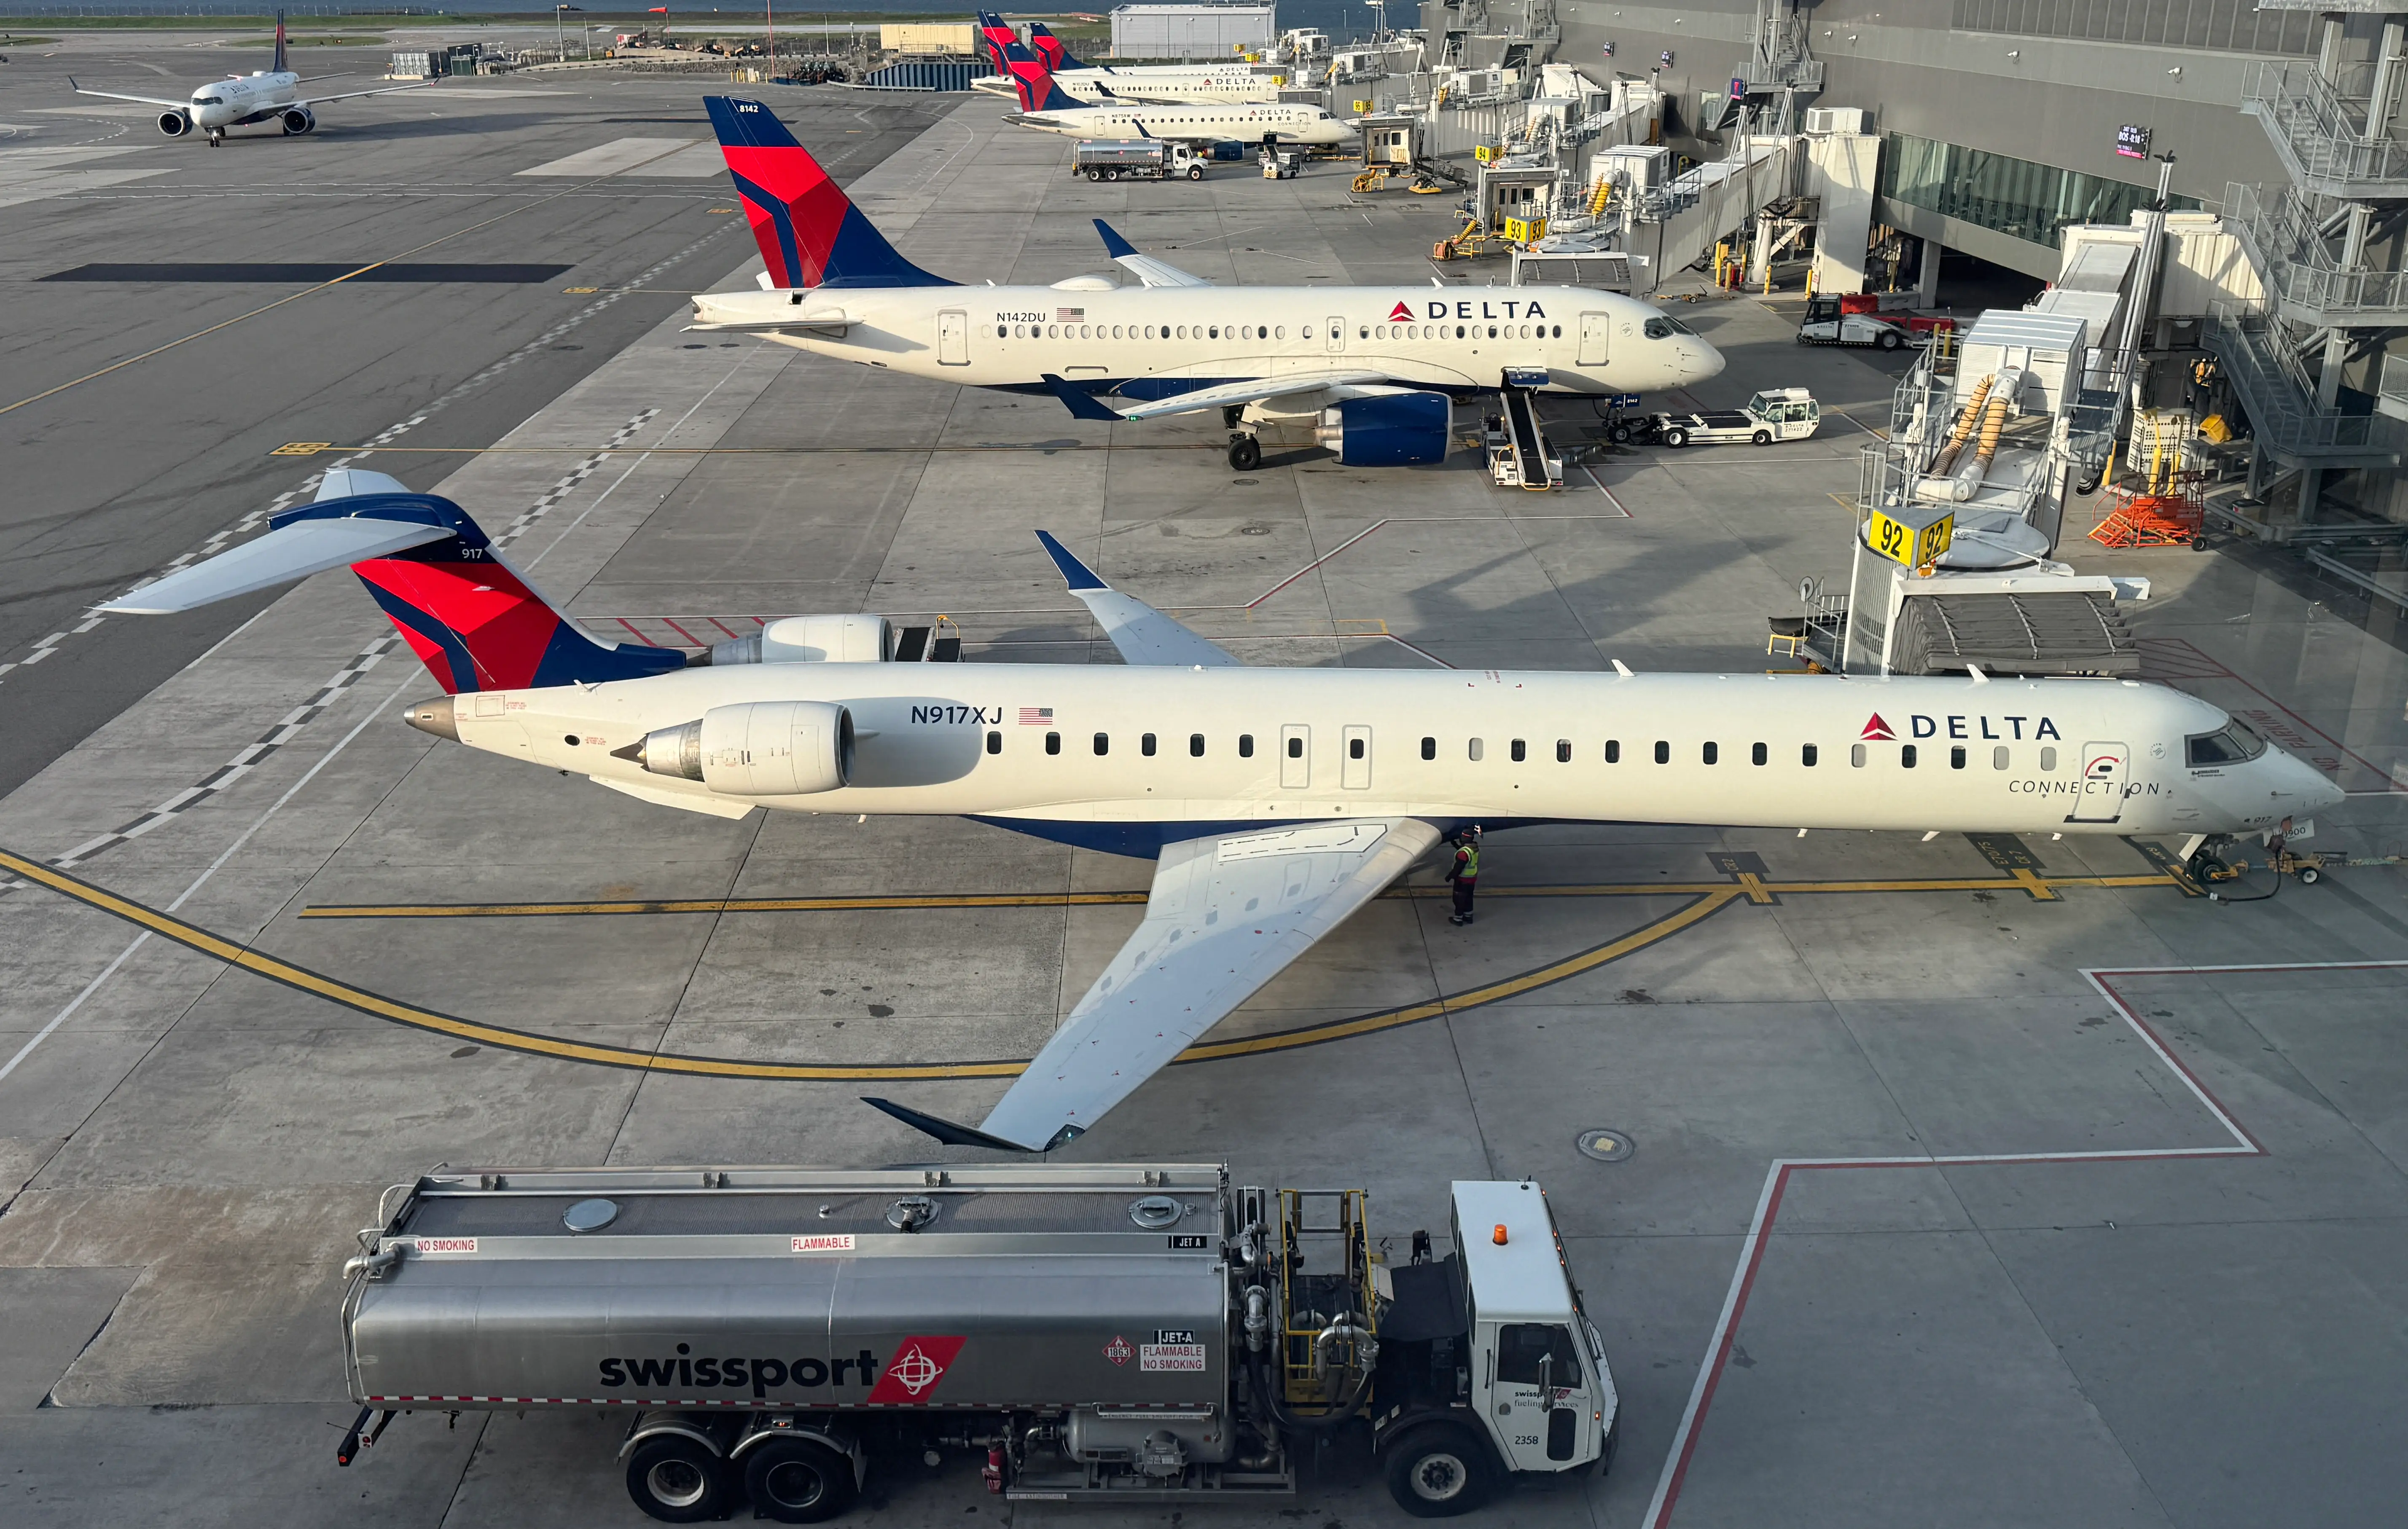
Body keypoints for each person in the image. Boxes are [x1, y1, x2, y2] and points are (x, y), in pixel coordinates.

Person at [1445, 825, 1481, 925]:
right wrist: (1454, 843)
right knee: (1469, 898)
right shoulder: (1474, 848)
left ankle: (1458, 919)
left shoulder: (1463, 853)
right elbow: (1464, 850)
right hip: (1472, 879)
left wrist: (1450, 877)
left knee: (1459, 899)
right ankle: (1468, 917)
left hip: (1462, 880)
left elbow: (1459, 867)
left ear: (1464, 838)